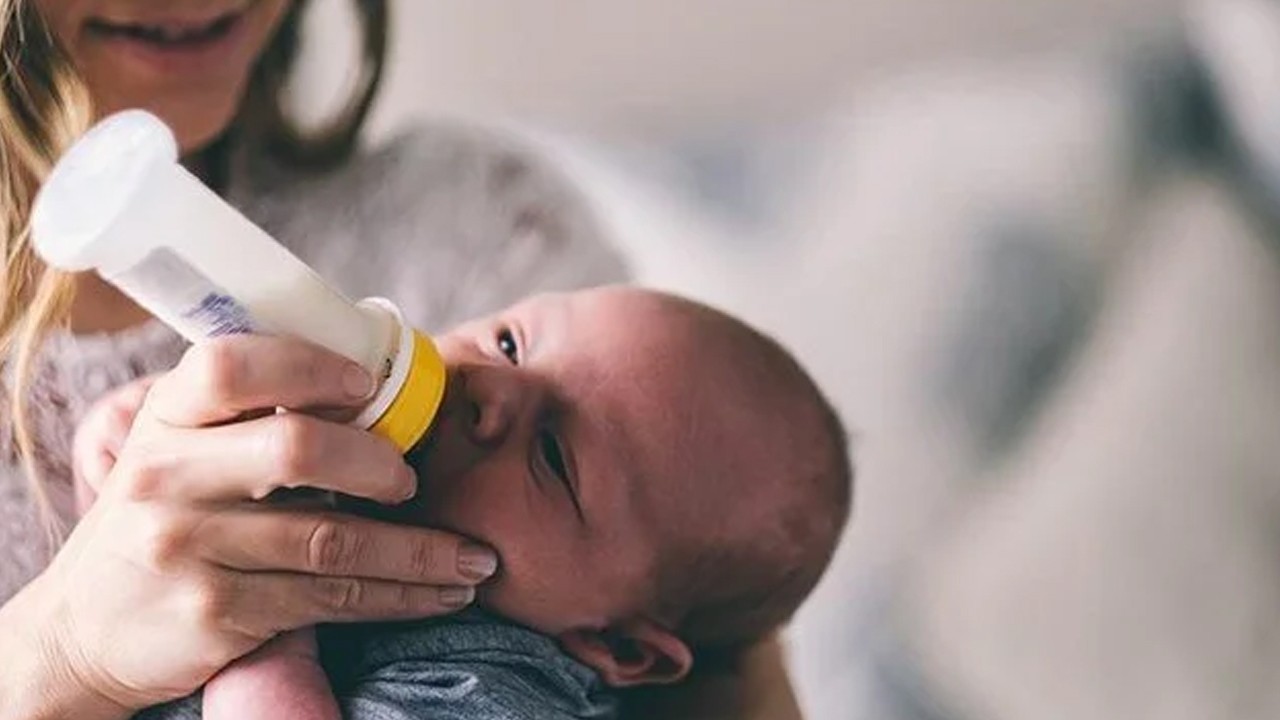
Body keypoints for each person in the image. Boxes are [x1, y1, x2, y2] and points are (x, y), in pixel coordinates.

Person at [0, 2, 627, 718]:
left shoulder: (478, 233)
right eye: (506, 346)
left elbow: (715, 622)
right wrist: (60, 653)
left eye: (552, 451)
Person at [74, 286, 853, 719]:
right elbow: (132, 594)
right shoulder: (336, 465)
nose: (491, 387)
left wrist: (267, 641)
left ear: (619, 646)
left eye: (552, 456)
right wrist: (132, 465)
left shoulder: (503, 689)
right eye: (512, 341)